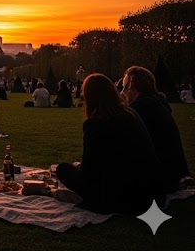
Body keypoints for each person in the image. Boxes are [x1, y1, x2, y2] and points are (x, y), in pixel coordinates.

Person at [56, 73, 162, 214]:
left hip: (120, 195)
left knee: (63, 169)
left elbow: (90, 171)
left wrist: (79, 168)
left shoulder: (95, 123)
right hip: (150, 190)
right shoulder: (131, 113)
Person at [123, 66, 191, 193]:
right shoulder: (157, 103)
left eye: (124, 87)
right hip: (172, 176)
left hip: (157, 181)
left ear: (132, 87)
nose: (122, 92)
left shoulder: (139, 109)